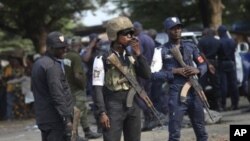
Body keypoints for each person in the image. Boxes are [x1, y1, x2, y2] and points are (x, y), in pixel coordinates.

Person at [92, 16, 151, 141]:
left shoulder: (131, 56)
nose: (130, 36)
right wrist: (102, 112)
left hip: (133, 105)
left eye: (131, 33)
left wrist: (139, 54)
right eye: (126, 33)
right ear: (114, 36)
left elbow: (146, 75)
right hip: (113, 106)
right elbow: (97, 88)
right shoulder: (102, 59)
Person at [152, 17, 208, 141]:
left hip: (194, 90)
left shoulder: (191, 46)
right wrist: (174, 71)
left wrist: (197, 70)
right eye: (173, 28)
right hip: (176, 92)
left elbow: (203, 64)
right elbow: (154, 74)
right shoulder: (160, 50)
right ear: (167, 31)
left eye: (178, 28)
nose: (177, 31)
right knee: (174, 133)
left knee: (201, 131)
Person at [32, 31, 75, 141]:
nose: (64, 50)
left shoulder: (39, 63)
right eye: (60, 48)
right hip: (55, 119)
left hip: (43, 117)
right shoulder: (52, 66)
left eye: (65, 47)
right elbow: (57, 94)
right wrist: (67, 118)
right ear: (50, 48)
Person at [64, 36, 102, 139]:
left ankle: (87, 131)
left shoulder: (67, 56)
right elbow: (77, 75)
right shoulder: (75, 57)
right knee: (77, 113)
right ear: (79, 45)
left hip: (70, 88)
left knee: (82, 110)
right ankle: (74, 135)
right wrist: (82, 85)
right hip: (77, 89)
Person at [198, 28, 222, 111]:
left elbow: (199, 54)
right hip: (214, 63)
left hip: (203, 64)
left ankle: (203, 105)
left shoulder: (201, 41)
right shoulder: (217, 41)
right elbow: (221, 54)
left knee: (202, 85)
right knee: (216, 84)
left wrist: (205, 63)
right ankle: (219, 105)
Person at [217, 25, 239, 110]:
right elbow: (234, 52)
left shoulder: (219, 42)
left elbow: (217, 53)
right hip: (231, 63)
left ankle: (223, 104)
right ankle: (235, 103)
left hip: (222, 63)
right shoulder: (232, 41)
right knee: (233, 84)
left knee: (223, 85)